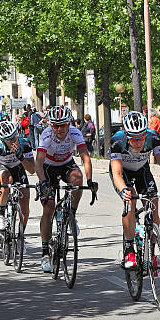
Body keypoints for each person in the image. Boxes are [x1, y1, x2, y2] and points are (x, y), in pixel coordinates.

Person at [109, 111, 160, 268]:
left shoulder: (153, 137)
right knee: (131, 200)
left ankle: (151, 251)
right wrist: (123, 191)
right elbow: (117, 174)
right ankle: (129, 251)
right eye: (133, 139)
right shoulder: (117, 141)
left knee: (153, 202)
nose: (139, 142)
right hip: (123, 172)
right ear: (126, 135)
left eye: (141, 137)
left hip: (142, 170)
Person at [35, 106, 98, 273]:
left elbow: (85, 156)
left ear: (68, 124)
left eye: (63, 125)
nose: (59, 129)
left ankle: (72, 215)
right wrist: (43, 183)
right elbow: (39, 162)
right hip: (48, 167)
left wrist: (90, 180)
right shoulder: (47, 135)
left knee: (78, 179)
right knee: (48, 207)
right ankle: (45, 253)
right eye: (55, 125)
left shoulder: (75, 133)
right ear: (51, 125)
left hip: (66, 164)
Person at [0, 121, 36, 241]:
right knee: (6, 177)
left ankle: (21, 235)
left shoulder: (24, 144)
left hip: (19, 167)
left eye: (14, 137)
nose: (12, 141)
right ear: (2, 140)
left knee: (25, 203)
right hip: (4, 168)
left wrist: (21, 157)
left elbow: (32, 170)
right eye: (8, 139)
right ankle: (1, 213)